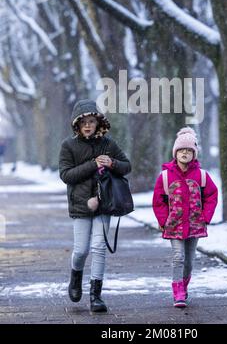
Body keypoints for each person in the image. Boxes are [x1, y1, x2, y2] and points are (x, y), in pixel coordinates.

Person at [59, 99, 131, 312]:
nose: (88, 125)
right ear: (77, 125)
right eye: (84, 123)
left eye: (91, 121)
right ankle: (75, 276)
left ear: (98, 123)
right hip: (80, 205)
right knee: (81, 250)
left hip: (104, 203)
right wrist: (93, 164)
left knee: (99, 247)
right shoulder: (68, 146)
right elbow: (66, 175)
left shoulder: (108, 144)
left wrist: (113, 163)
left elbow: (127, 166)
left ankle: (96, 296)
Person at [152, 127, 218, 308]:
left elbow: (212, 195)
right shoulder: (165, 176)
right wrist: (163, 220)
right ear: (175, 152)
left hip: (195, 224)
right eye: (182, 150)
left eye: (189, 150)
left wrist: (205, 216)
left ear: (194, 154)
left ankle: (184, 284)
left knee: (189, 260)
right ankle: (178, 292)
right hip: (173, 225)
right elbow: (158, 201)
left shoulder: (202, 176)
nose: (185, 153)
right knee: (178, 256)